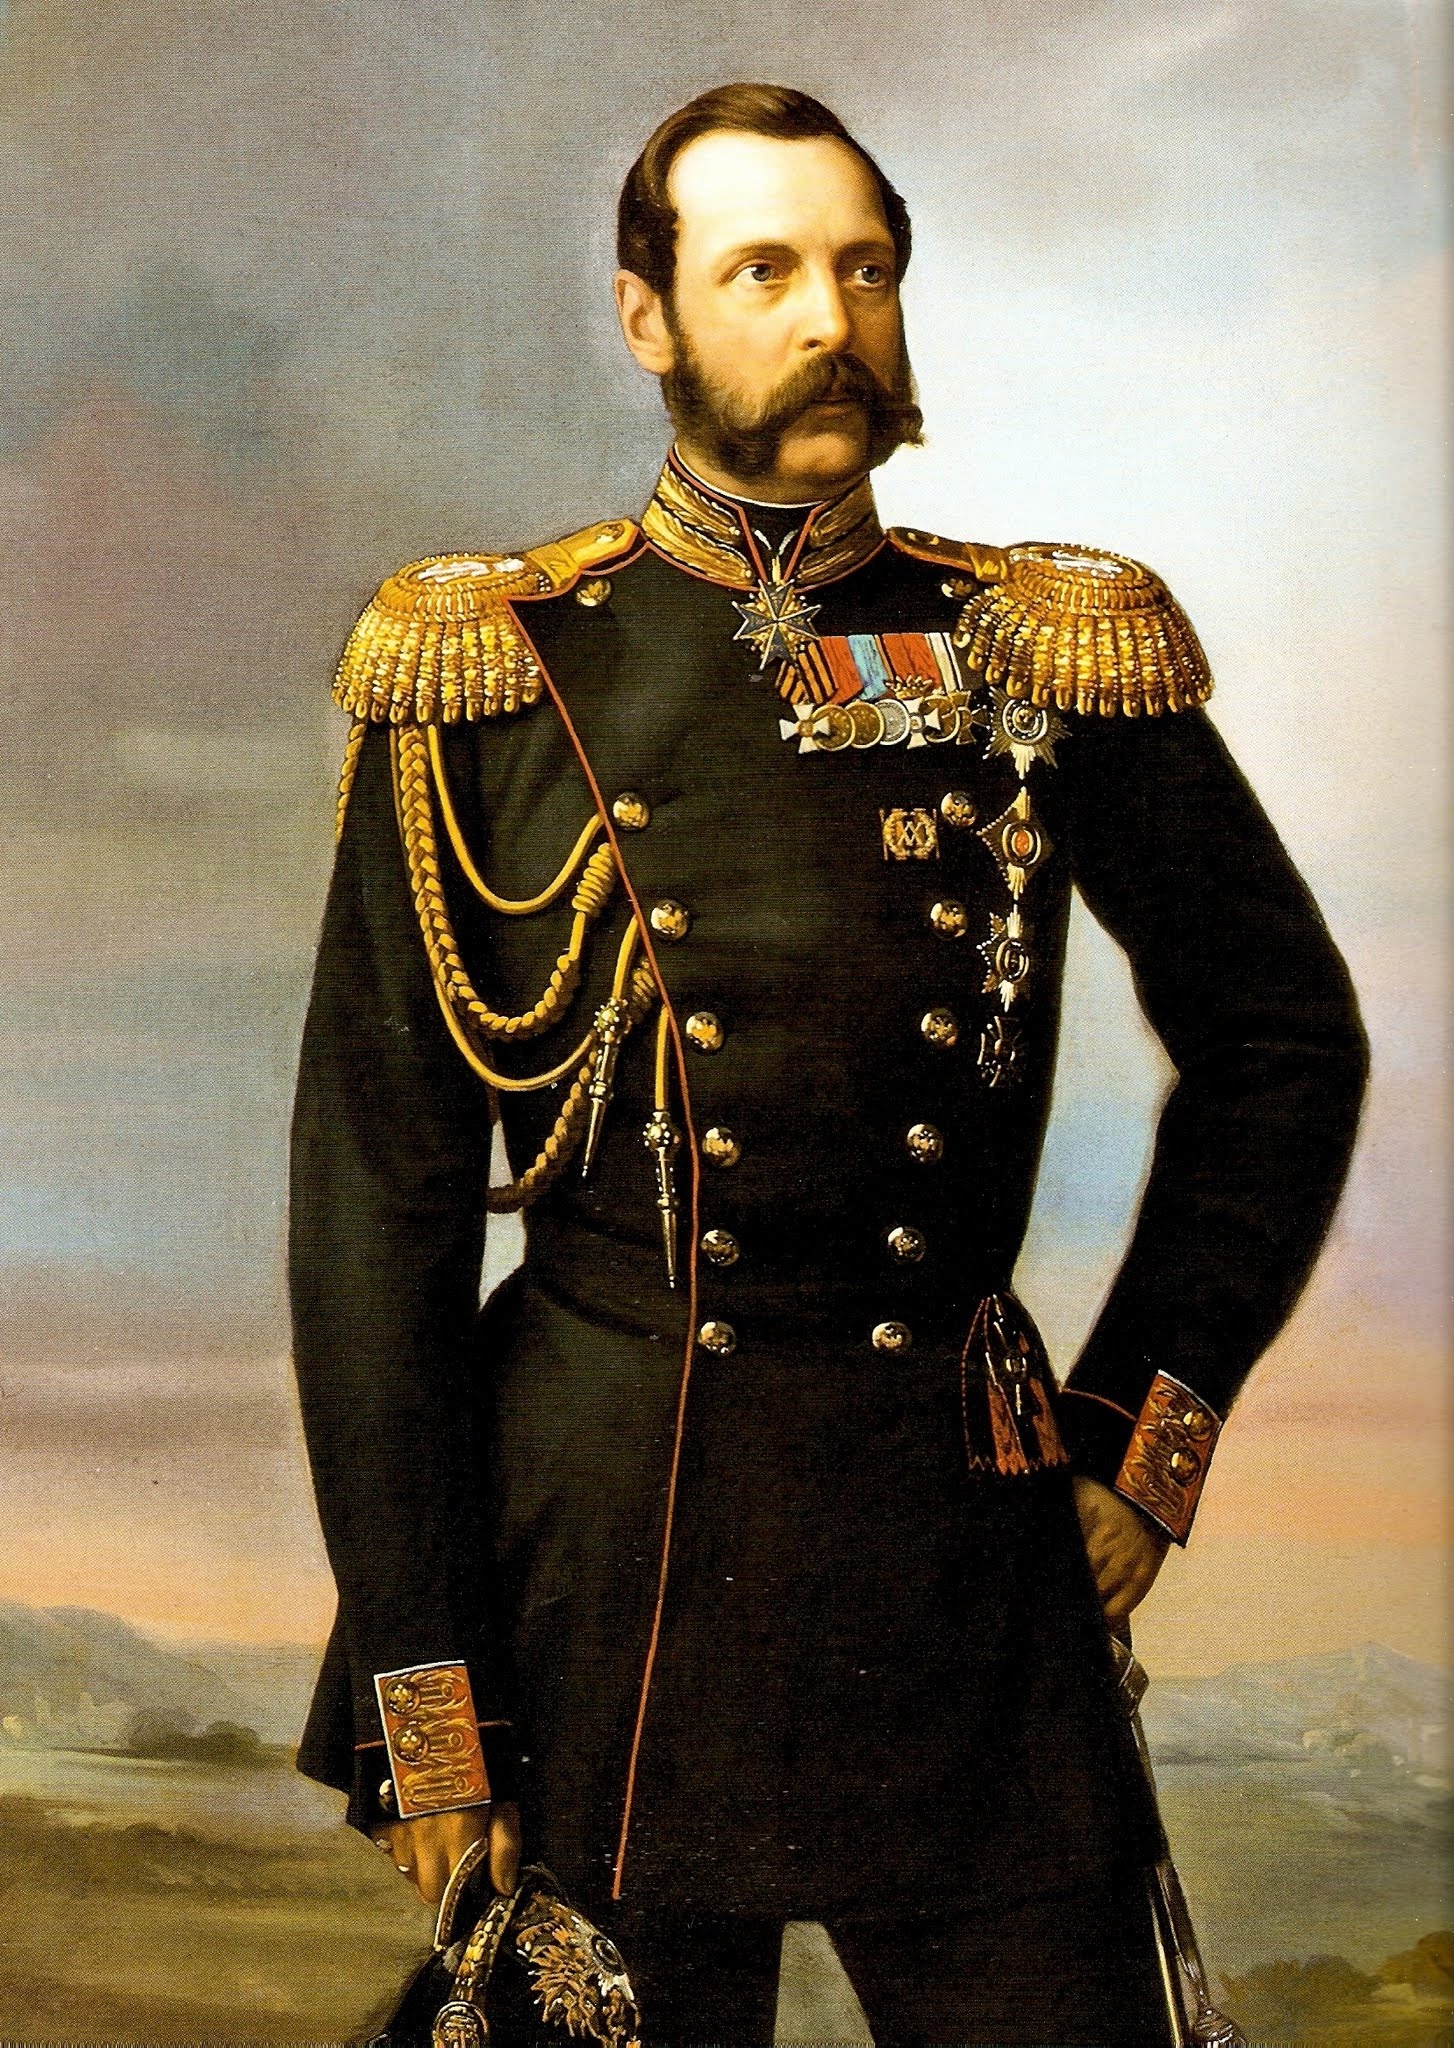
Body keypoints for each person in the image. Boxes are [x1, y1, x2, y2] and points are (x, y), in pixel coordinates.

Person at [290, 83, 1367, 2046]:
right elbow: (377, 1208)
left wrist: (1139, 1429)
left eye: (863, 271)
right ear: (648, 318)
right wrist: (424, 1690)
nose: (827, 321)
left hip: (956, 1551)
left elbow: (1282, 1041)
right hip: (596, 1567)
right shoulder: (491, 673)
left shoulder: (1043, 646)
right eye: (763, 273)